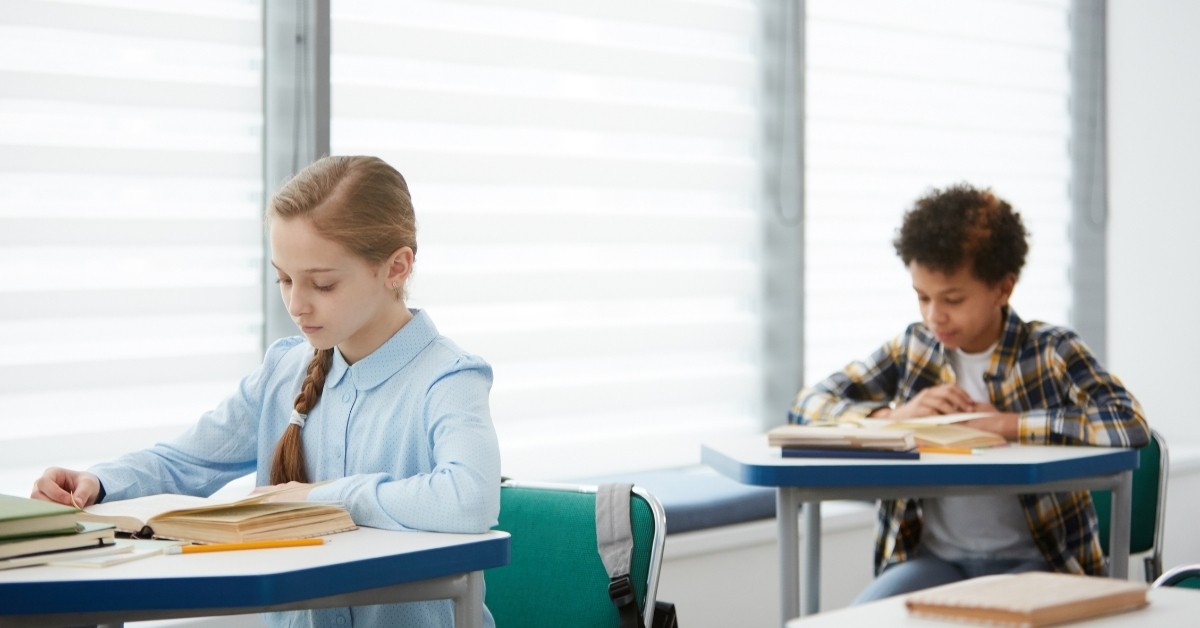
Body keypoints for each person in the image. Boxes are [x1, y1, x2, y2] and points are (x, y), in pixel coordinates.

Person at [31, 155, 502, 627]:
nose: (297, 304)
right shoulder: (285, 369)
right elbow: (188, 460)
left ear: (396, 268)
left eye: (322, 283)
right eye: (284, 279)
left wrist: (322, 496)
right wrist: (100, 482)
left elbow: (468, 498)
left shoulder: (449, 378)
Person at [788, 183, 1149, 603]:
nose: (934, 315)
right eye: (922, 297)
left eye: (953, 299)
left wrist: (1009, 425)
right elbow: (807, 405)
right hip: (934, 562)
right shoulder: (914, 349)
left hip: (1039, 563)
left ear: (1003, 288)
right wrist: (893, 417)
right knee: (861, 617)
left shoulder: (1051, 351)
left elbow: (1128, 422)